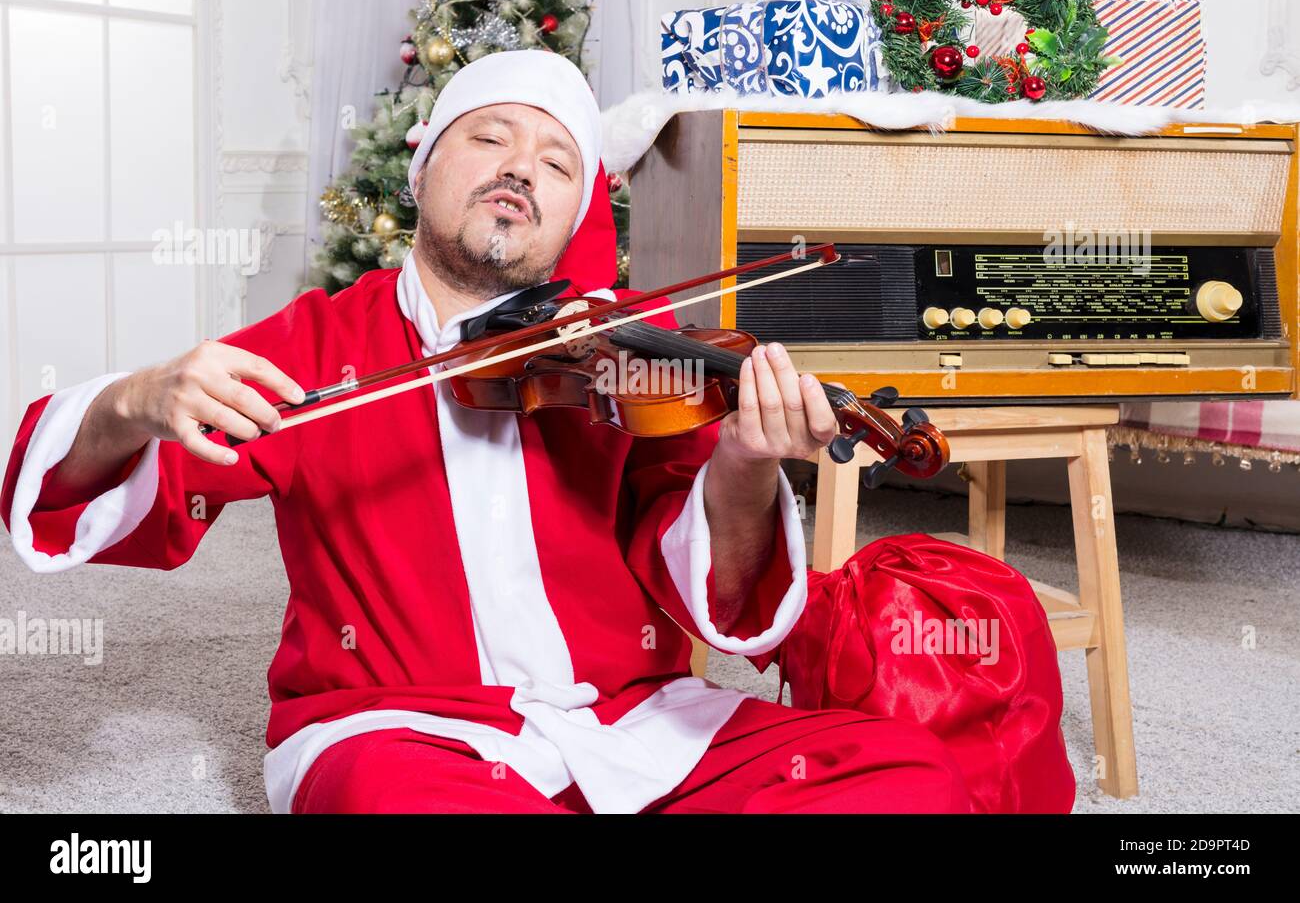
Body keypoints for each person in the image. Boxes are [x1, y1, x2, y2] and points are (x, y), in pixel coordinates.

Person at [2, 50, 969, 814]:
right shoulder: (313, 343)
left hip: (638, 720)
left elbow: (717, 589)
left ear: (575, 212)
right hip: (399, 734)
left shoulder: (634, 354)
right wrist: (133, 401)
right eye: (490, 139)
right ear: (423, 170)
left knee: (907, 780)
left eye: (557, 163)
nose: (521, 169)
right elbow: (79, 498)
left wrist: (748, 466)